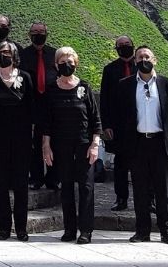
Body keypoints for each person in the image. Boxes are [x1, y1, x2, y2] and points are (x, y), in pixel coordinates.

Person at [112, 46, 168, 246]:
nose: (144, 59)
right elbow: (122, 115)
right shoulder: (125, 85)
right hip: (138, 143)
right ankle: (142, 231)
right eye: (140, 57)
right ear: (134, 61)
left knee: (163, 191)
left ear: (155, 60)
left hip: (160, 143)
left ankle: (166, 231)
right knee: (140, 190)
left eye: (147, 56)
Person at [40, 46, 102, 245]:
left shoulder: (84, 87)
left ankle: (86, 230)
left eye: (70, 61)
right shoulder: (51, 89)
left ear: (76, 63)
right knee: (66, 186)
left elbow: (95, 118)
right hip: (61, 144)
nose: (67, 65)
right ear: (56, 64)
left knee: (86, 187)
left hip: (84, 143)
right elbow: (46, 122)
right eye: (62, 61)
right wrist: (46, 146)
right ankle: (69, 228)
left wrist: (95, 144)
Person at [0, 41, 36, 241]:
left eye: (7, 53)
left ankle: (21, 227)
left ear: (14, 56)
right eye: (0, 53)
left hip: (21, 138)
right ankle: (4, 227)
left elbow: (32, 107)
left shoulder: (25, 77)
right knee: (2, 184)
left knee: (21, 184)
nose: (3, 56)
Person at [20, 22, 58, 190]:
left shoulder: (54, 54)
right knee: (33, 144)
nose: (38, 34)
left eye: (41, 31)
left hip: (51, 105)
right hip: (31, 104)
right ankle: (35, 177)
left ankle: (53, 178)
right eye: (35, 32)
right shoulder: (23, 54)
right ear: (29, 35)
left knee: (53, 142)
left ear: (46, 33)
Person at [100, 36, 136, 211]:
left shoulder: (142, 66)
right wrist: (106, 125)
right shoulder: (110, 69)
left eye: (127, 45)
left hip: (140, 124)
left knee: (143, 164)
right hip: (119, 126)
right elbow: (104, 100)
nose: (124, 48)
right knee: (120, 165)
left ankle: (148, 200)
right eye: (120, 46)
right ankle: (121, 198)